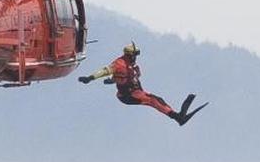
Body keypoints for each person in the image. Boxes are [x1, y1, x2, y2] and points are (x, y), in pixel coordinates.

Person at [78, 42, 207, 126]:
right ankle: (177, 117)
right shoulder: (119, 64)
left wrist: (113, 80)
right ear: (130, 54)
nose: (136, 57)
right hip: (127, 95)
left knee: (157, 99)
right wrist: (90, 78)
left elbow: (125, 78)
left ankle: (176, 116)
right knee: (152, 100)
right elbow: (105, 71)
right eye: (135, 54)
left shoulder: (133, 66)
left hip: (136, 92)